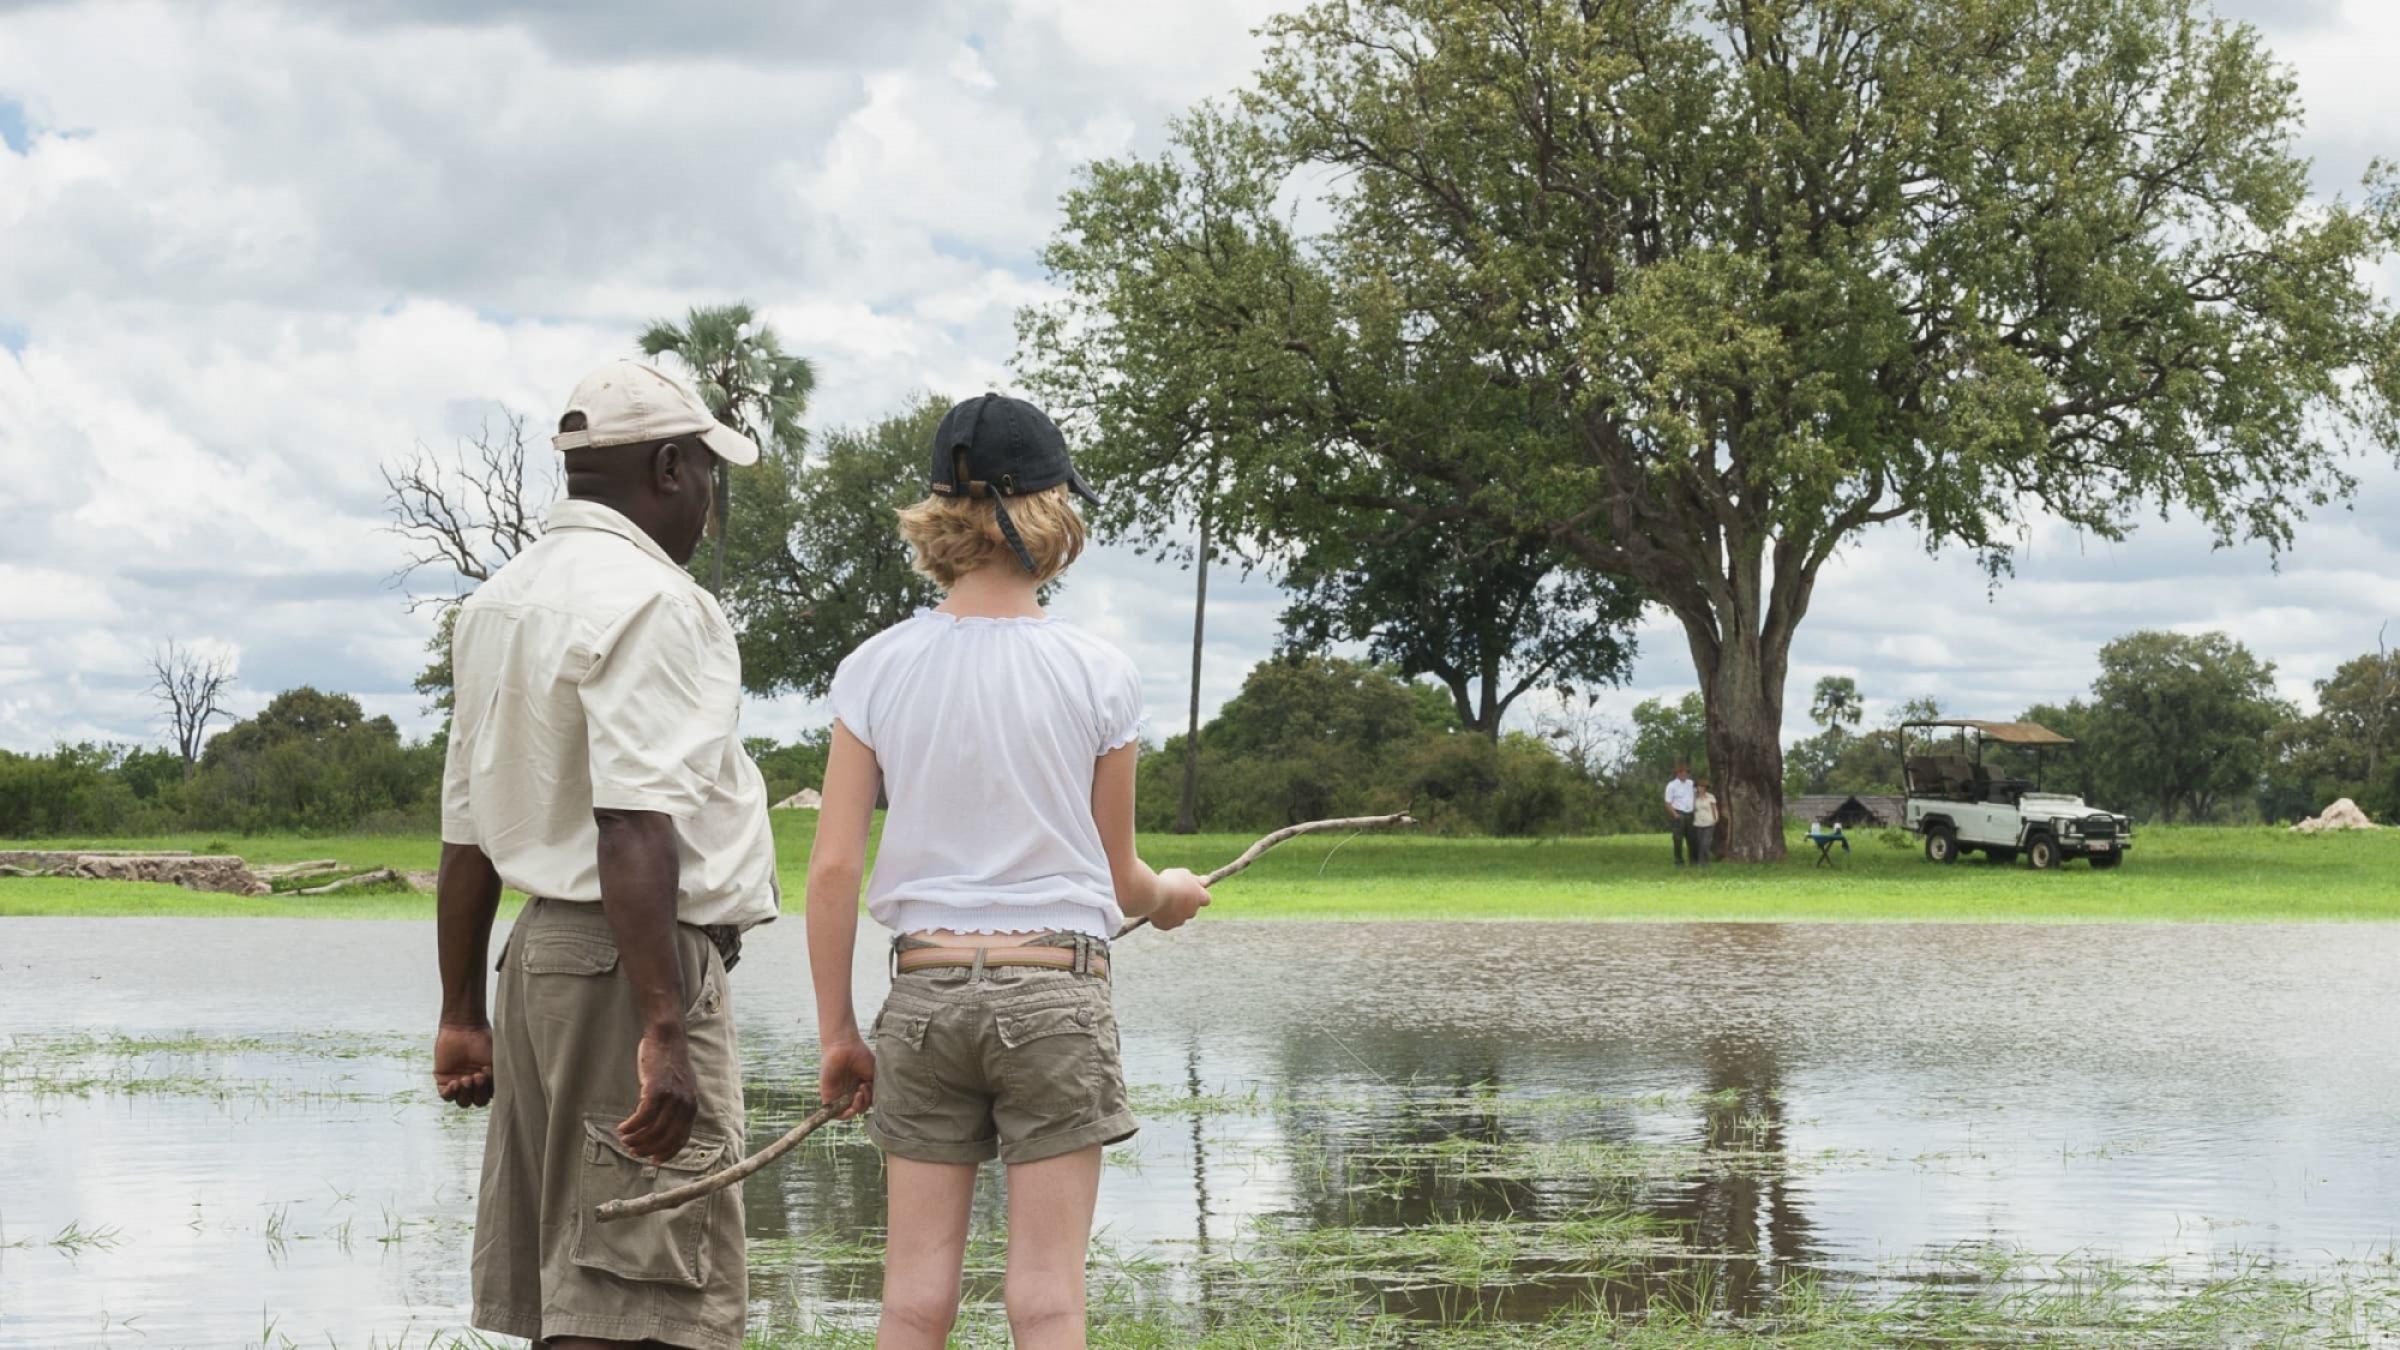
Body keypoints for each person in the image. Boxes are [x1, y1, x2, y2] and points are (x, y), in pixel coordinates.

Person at [806, 393, 1212, 1350]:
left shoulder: (874, 667)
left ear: (938, 515)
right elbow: (1120, 885)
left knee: (911, 1301)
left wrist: (838, 1033)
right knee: (1048, 1301)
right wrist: (1172, 897)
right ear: (1055, 514)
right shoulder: (1099, 673)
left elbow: (831, 869)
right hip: (1054, 992)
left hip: (926, 990)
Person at [431, 359, 779, 1350]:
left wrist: (461, 1011)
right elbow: (632, 823)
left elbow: (467, 834)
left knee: (576, 1287)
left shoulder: (499, 601)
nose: (711, 497)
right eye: (708, 473)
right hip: (630, 967)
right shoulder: (657, 602)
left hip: (538, 963)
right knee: (644, 1291)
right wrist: (665, 1023)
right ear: (670, 467)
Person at [1664, 761, 1697, 866]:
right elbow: (1667, 802)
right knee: (1678, 839)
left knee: (1692, 839)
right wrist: (1675, 814)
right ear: (1677, 774)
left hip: (1690, 813)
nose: (1684, 775)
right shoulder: (1672, 785)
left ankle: (1693, 860)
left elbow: (1697, 795)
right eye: (1681, 773)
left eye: (1686, 773)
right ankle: (1679, 861)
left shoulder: (1691, 783)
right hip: (1679, 813)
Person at [1691, 777, 1721, 869]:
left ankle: (1703, 861)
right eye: (1699, 787)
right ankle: (1702, 862)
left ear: (1706, 788)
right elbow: (1691, 809)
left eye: (1703, 787)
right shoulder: (1694, 798)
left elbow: (1714, 808)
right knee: (1700, 843)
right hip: (1698, 822)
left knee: (1705, 843)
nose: (1701, 788)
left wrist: (1716, 818)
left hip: (1709, 821)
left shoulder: (1710, 797)